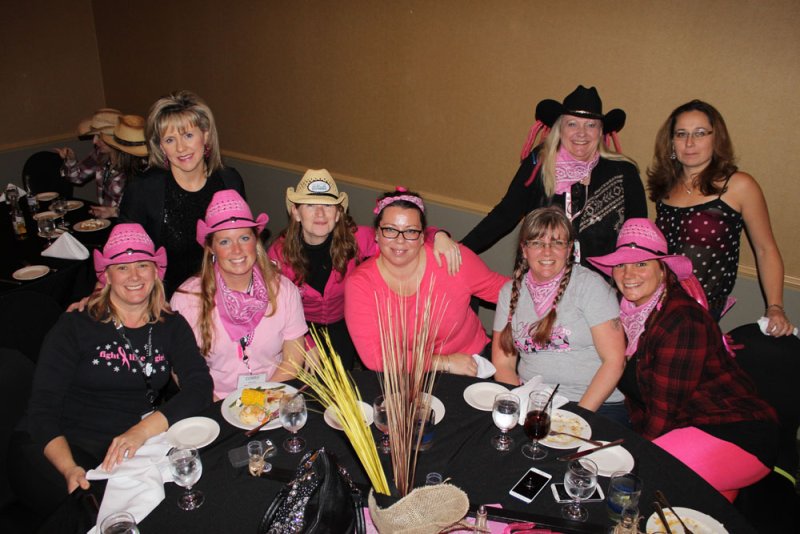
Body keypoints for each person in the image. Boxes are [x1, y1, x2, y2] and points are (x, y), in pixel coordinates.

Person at [10, 223, 213, 516]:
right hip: (57, 446)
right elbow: (42, 410)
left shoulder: (171, 325)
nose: (134, 276)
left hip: (127, 447)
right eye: (122, 267)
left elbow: (199, 387)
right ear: (107, 275)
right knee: (99, 512)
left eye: (142, 265)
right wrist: (69, 469)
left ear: (156, 271)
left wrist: (141, 431)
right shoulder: (76, 325)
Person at [588, 218, 778, 501]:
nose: (628, 274)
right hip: (689, 431)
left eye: (641, 264)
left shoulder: (680, 320)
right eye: (621, 265)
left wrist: (634, 455)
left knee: (627, 485)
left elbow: (663, 413)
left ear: (663, 270)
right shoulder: (629, 315)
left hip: (734, 433)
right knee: (697, 515)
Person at [268, 169, 462, 369]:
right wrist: (305, 341)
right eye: (310, 205)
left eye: (328, 205)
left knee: (345, 381)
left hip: (343, 324)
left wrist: (438, 235)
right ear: (296, 212)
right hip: (298, 328)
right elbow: (277, 309)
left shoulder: (355, 238)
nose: (320, 213)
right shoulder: (278, 253)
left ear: (338, 213)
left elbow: (402, 235)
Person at [461, 85, 647, 272]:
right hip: (540, 277)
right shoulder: (539, 163)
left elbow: (637, 237)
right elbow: (505, 214)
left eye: (591, 125)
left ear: (600, 132)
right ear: (560, 129)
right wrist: (460, 251)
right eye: (572, 124)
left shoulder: (623, 172)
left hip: (600, 283)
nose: (581, 133)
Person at [648, 100, 793, 332]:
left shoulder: (739, 185)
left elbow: (765, 249)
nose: (689, 142)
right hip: (658, 303)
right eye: (681, 134)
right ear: (672, 142)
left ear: (716, 139)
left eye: (700, 133)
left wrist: (775, 306)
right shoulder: (666, 187)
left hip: (703, 309)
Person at [344, 189, 508, 375]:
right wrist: (445, 362)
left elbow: (509, 293)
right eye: (390, 230)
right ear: (376, 234)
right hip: (406, 373)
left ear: (422, 236)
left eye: (410, 231)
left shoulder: (451, 260)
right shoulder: (361, 284)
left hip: (471, 361)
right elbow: (375, 356)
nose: (400, 240)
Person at [492, 207, 626, 422]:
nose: (547, 252)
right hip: (534, 404)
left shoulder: (590, 286)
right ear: (524, 250)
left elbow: (614, 361)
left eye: (557, 243)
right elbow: (503, 364)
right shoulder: (509, 293)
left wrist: (576, 418)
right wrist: (518, 403)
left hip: (595, 405)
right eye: (537, 243)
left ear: (569, 249)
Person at [171, 190, 307, 400]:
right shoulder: (186, 299)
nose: (237, 250)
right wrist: (220, 408)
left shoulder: (284, 290)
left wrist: (260, 402)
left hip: (273, 395)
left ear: (256, 240)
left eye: (244, 238)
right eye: (225, 241)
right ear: (211, 247)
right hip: (212, 402)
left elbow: (293, 360)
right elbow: (182, 370)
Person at [119, 90, 245, 297]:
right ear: (160, 146)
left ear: (205, 135)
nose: (181, 148)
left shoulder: (229, 180)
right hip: (165, 300)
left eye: (188, 135)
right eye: (170, 140)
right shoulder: (144, 189)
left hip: (224, 294)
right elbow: (123, 254)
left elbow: (243, 242)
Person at [55, 110, 148, 218]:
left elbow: (140, 208)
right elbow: (75, 178)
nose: (94, 141)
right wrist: (71, 160)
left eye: (99, 136)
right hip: (105, 220)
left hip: (128, 223)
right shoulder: (99, 154)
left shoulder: (139, 165)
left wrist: (114, 212)